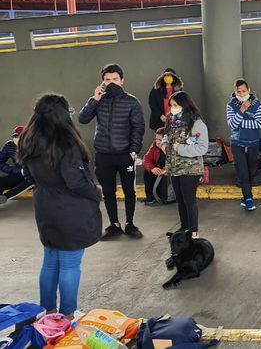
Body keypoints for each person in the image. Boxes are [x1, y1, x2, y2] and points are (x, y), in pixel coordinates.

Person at [17, 94, 102, 319]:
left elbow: (27, 174)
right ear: (62, 114)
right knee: (70, 265)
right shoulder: (66, 141)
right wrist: (96, 193)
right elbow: (75, 181)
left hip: (45, 207)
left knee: (50, 261)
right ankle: (68, 314)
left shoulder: (28, 138)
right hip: (70, 210)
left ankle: (48, 311)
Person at [78, 63, 145, 240]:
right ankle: (114, 225)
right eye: (107, 80)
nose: (111, 82)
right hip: (103, 155)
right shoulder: (98, 100)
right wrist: (94, 100)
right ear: (102, 82)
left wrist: (133, 151)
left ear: (122, 80)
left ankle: (130, 224)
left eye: (115, 79)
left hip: (125, 154)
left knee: (129, 191)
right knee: (108, 192)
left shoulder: (132, 101)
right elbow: (82, 119)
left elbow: (138, 128)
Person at [162, 92, 209, 238]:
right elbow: (165, 135)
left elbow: (202, 147)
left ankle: (193, 232)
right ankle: (184, 228)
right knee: (180, 200)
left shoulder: (196, 123)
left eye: (176, 105)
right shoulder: (171, 121)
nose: (173, 108)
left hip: (190, 169)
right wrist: (163, 144)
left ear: (185, 105)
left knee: (189, 201)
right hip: (174, 167)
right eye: (171, 105)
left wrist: (180, 149)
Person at [226, 79, 261, 210]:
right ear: (235, 91)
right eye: (238, 91)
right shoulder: (231, 105)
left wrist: (240, 122)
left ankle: (246, 196)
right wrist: (241, 110)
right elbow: (232, 124)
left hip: (253, 143)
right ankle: (248, 198)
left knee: (251, 171)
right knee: (242, 172)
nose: (241, 94)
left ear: (248, 90)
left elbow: (258, 124)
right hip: (237, 143)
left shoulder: (257, 104)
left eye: (243, 91)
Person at [0, 125, 34, 204]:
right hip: (18, 174)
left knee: (33, 179)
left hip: (33, 176)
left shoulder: (34, 146)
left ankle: (5, 197)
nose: (18, 139)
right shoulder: (9, 146)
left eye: (22, 136)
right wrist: (13, 170)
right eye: (15, 136)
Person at [142, 128, 167, 205]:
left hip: (169, 171)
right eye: (156, 139)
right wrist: (152, 168)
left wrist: (166, 170)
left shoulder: (172, 148)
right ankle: (150, 197)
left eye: (160, 140)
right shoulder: (154, 146)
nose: (157, 142)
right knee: (147, 172)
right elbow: (146, 159)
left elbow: (176, 164)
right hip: (159, 170)